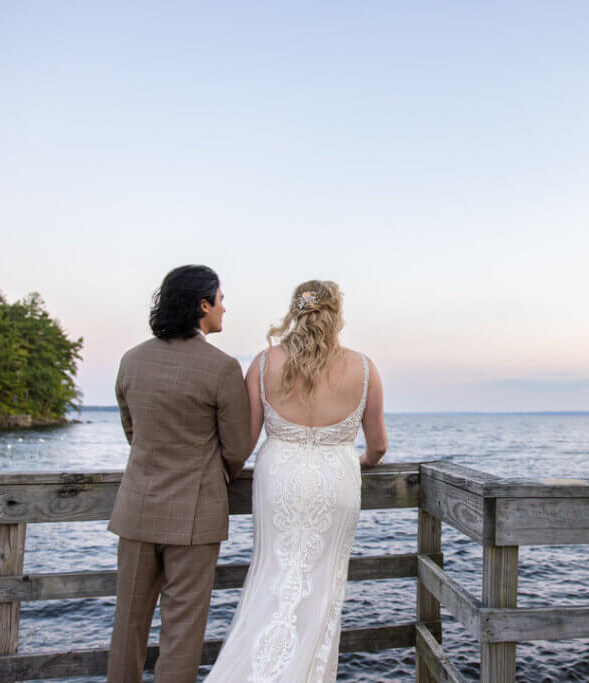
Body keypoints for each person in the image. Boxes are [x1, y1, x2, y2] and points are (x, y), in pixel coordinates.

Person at [205, 279, 387, 682]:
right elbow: (378, 446)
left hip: (279, 480)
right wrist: (357, 459)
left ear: (295, 311)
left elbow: (244, 442)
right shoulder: (364, 367)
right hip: (336, 482)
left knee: (272, 576)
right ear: (336, 313)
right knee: (321, 591)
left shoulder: (264, 362)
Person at [108, 265, 253, 683]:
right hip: (195, 515)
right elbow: (238, 447)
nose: (225, 308)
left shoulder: (131, 360)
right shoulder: (223, 367)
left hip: (136, 509)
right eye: (220, 299)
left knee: (127, 625)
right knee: (182, 632)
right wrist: (212, 473)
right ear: (202, 305)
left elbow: (133, 431)